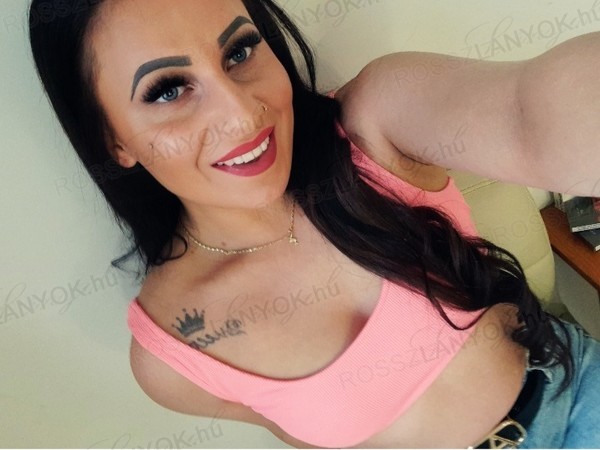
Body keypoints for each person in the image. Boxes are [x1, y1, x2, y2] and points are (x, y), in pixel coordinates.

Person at [28, 0, 600, 448]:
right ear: (113, 139)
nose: (242, 114)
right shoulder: (173, 353)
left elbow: (534, 114)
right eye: (168, 90)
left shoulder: (373, 128)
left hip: (577, 396)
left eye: (239, 51)